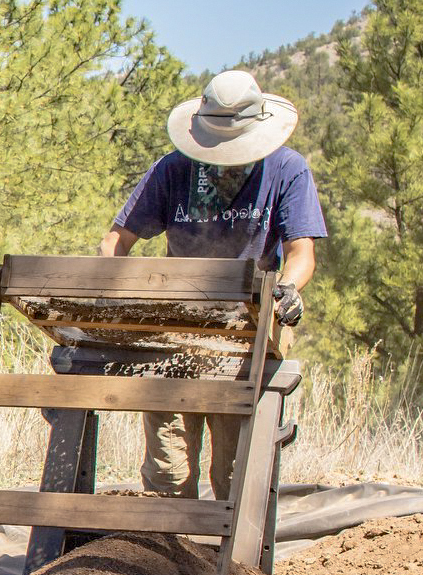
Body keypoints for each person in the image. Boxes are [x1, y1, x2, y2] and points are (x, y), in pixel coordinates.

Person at [98, 69, 327, 498]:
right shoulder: (173, 170)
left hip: (247, 330)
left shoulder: (286, 169)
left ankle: (231, 562)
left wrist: (289, 289)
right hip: (175, 325)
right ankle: (165, 558)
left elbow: (300, 253)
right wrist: (116, 294)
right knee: (168, 473)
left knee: (234, 471)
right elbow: (116, 241)